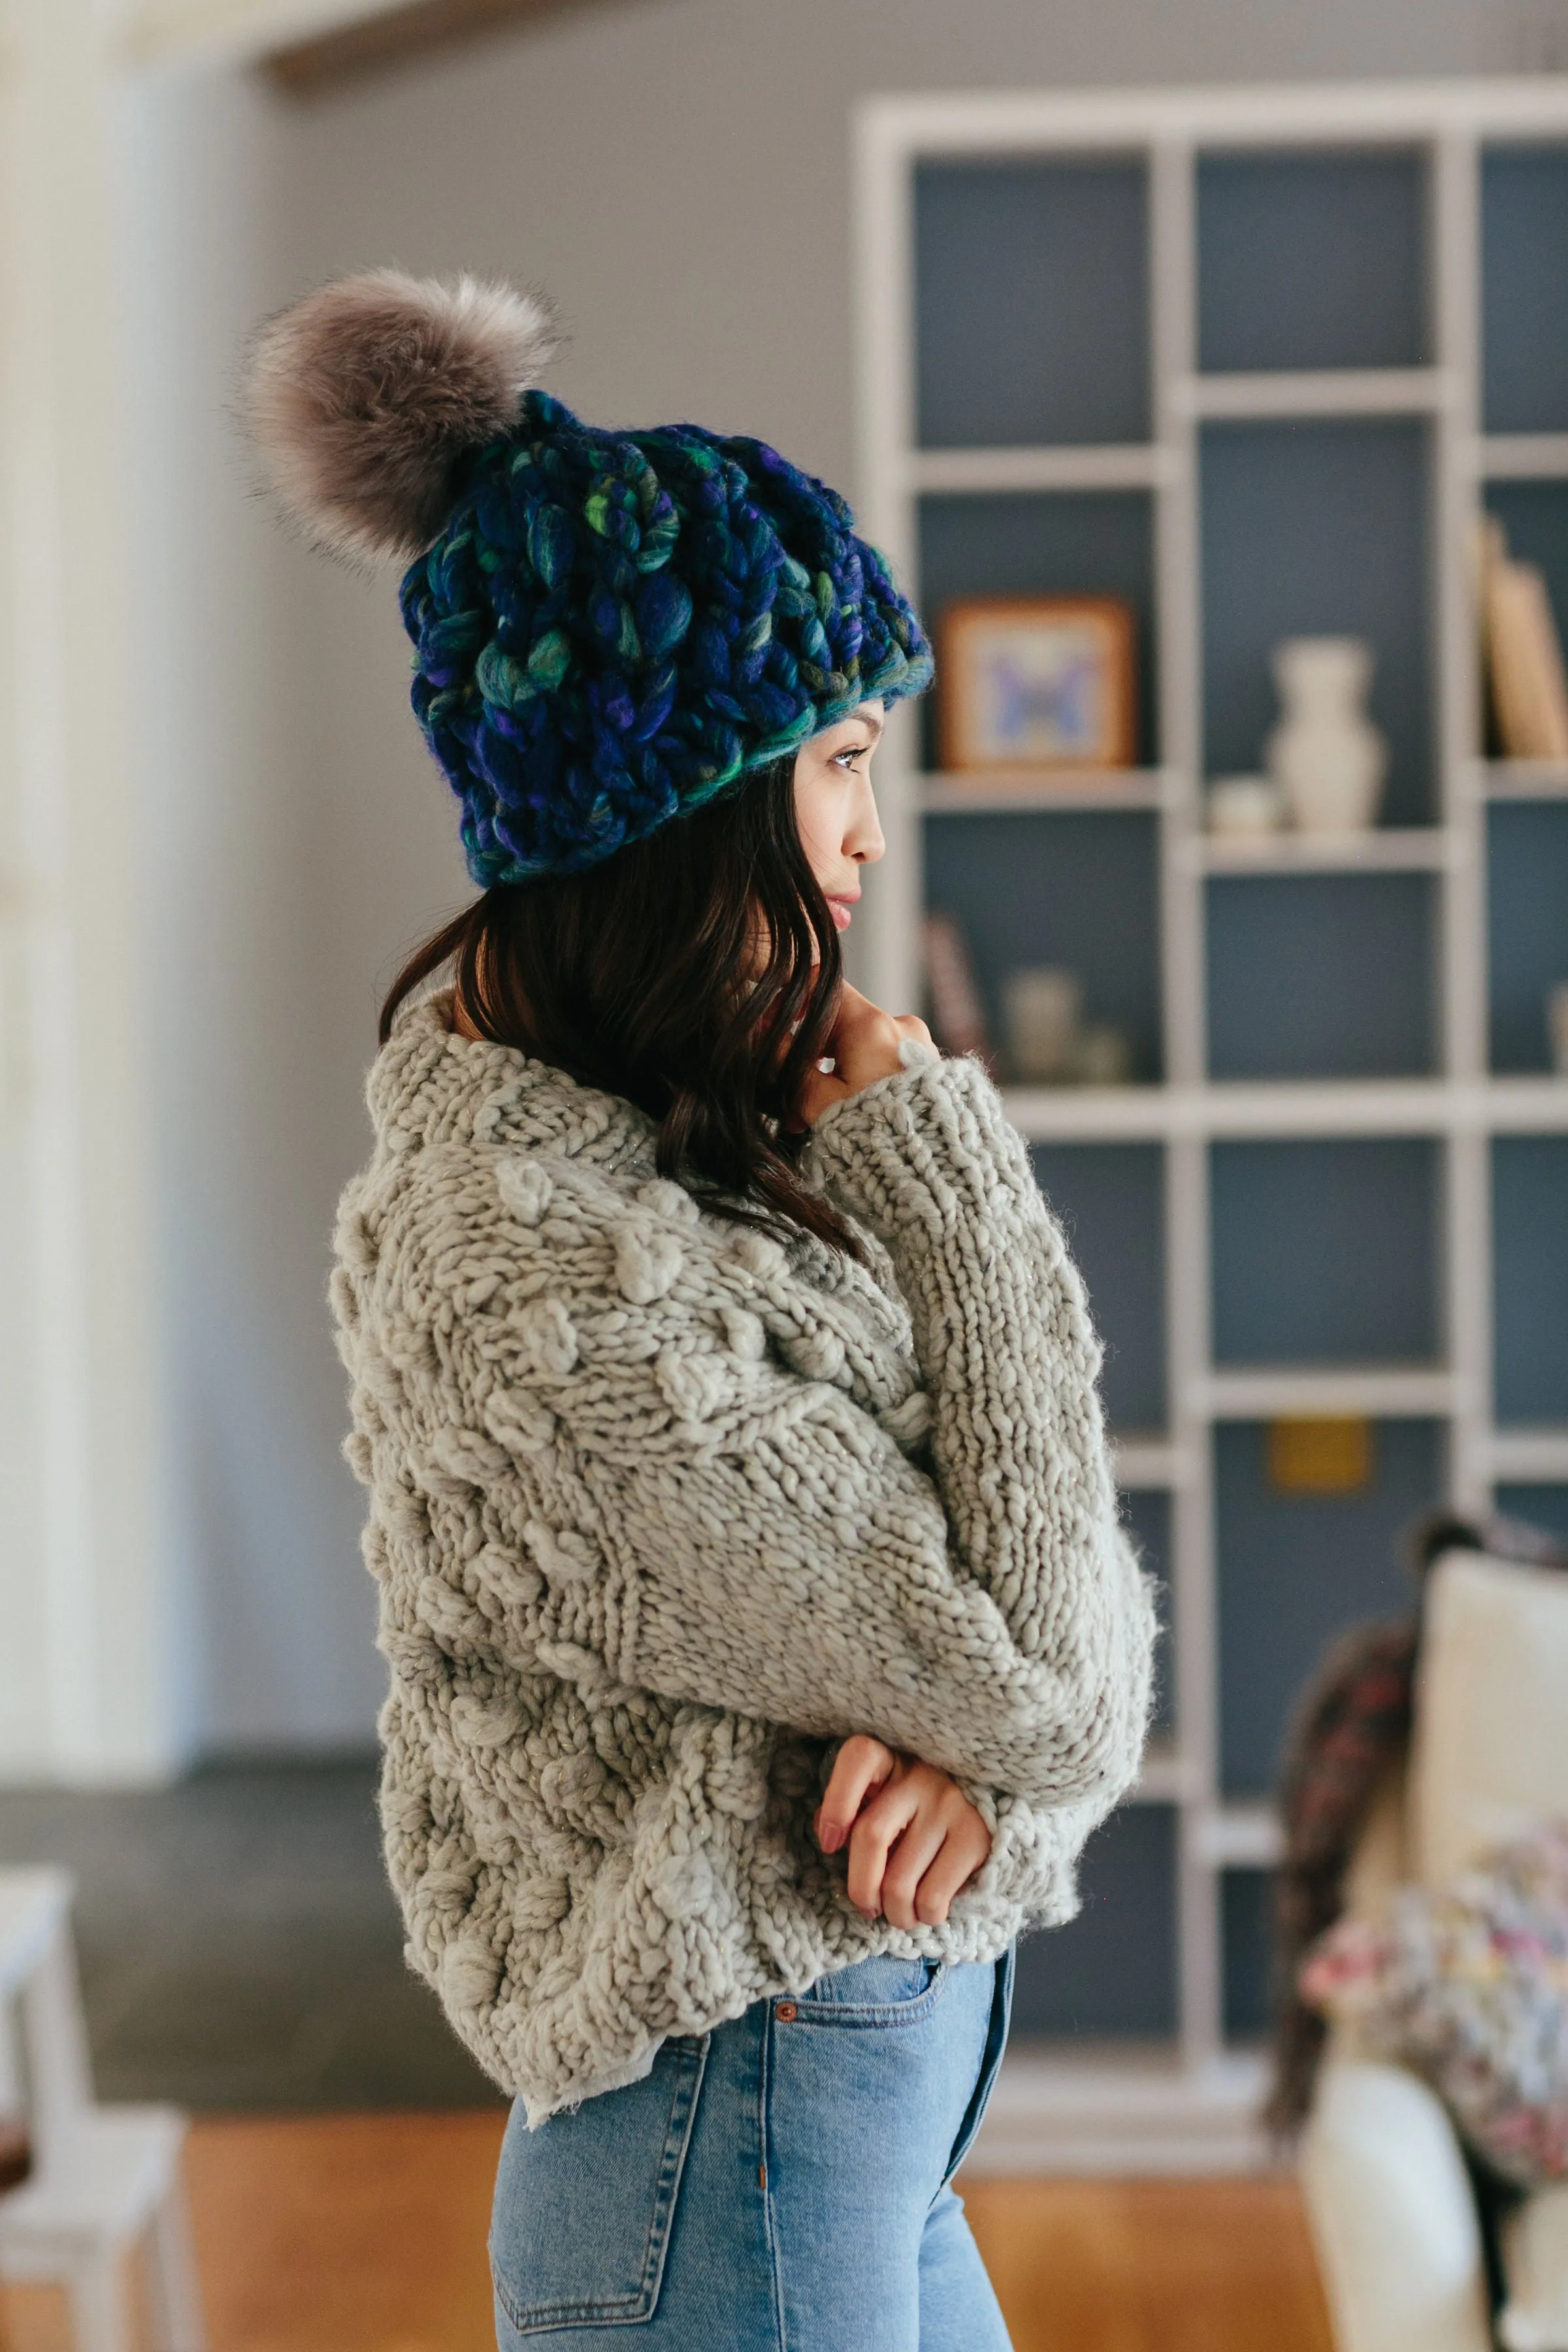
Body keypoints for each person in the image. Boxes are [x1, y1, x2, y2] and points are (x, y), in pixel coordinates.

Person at [246, 270, 1155, 2352]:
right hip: (727, 2136)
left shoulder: (682, 1169)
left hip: (845, 2110)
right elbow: (1044, 1668)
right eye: (834, 759)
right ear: (680, 806)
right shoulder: (528, 1266)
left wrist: (996, 1763)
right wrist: (962, 1189)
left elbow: (1045, 1648)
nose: (863, 837)